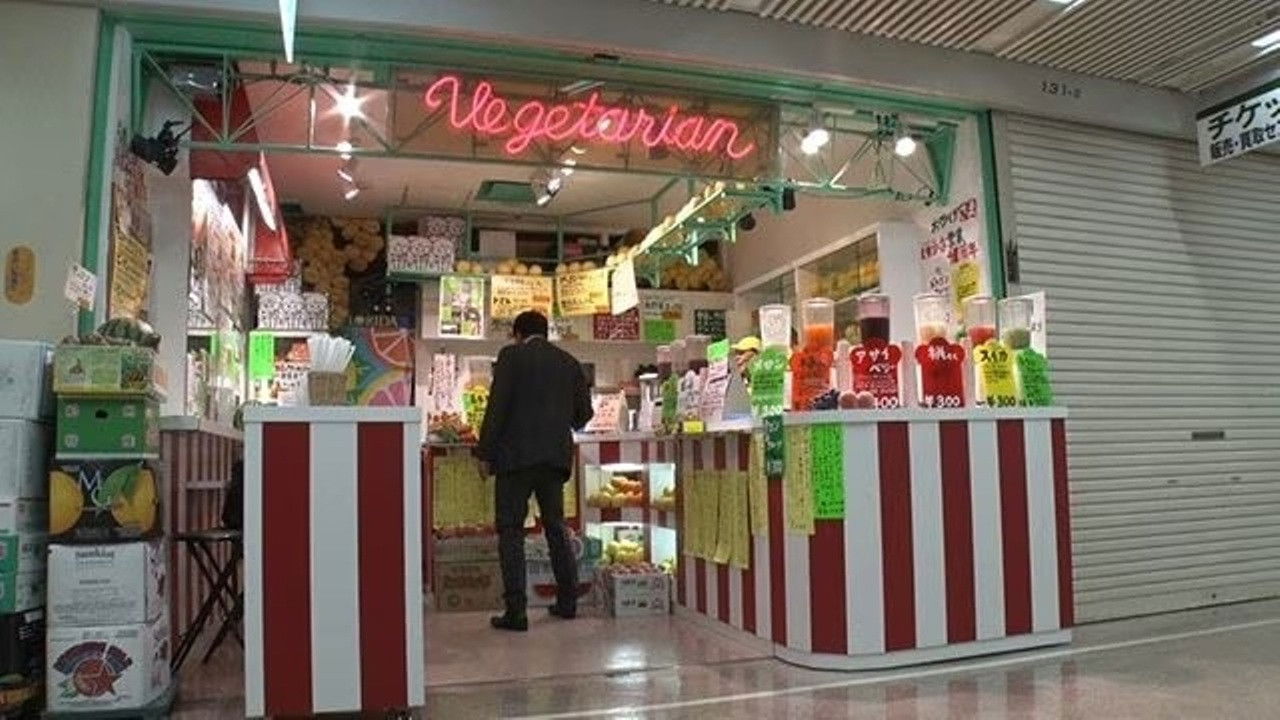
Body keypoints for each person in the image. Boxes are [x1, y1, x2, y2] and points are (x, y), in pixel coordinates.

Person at [477, 310, 593, 631]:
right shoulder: (569, 362)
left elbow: (497, 407)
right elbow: (583, 415)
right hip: (554, 459)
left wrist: (484, 452)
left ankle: (516, 611)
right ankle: (568, 602)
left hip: (515, 459)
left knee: (511, 530)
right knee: (555, 527)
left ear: (518, 333)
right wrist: (559, 420)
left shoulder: (511, 357)